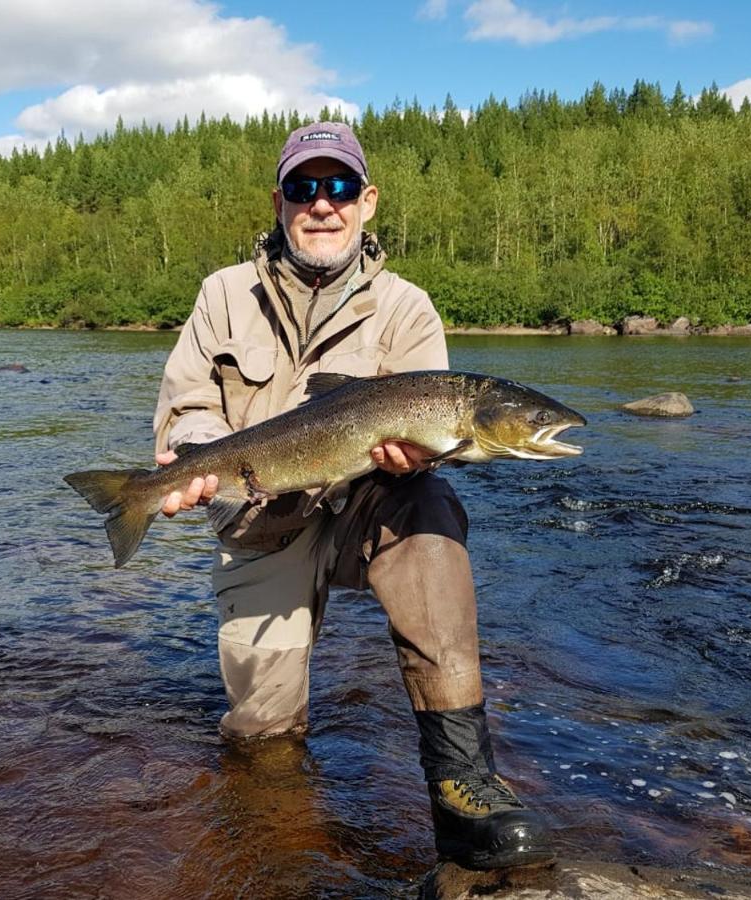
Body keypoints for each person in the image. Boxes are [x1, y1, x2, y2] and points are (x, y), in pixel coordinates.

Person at [152, 121, 554, 871]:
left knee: (432, 509)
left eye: (339, 187)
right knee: (261, 732)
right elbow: (188, 403)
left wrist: (408, 462)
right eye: (305, 188)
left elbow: (433, 443)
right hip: (259, 514)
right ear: (280, 202)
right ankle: (273, 851)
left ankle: (463, 780)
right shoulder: (221, 295)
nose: (323, 205)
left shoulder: (408, 309)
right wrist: (196, 462)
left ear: (367, 202)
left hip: (367, 507)